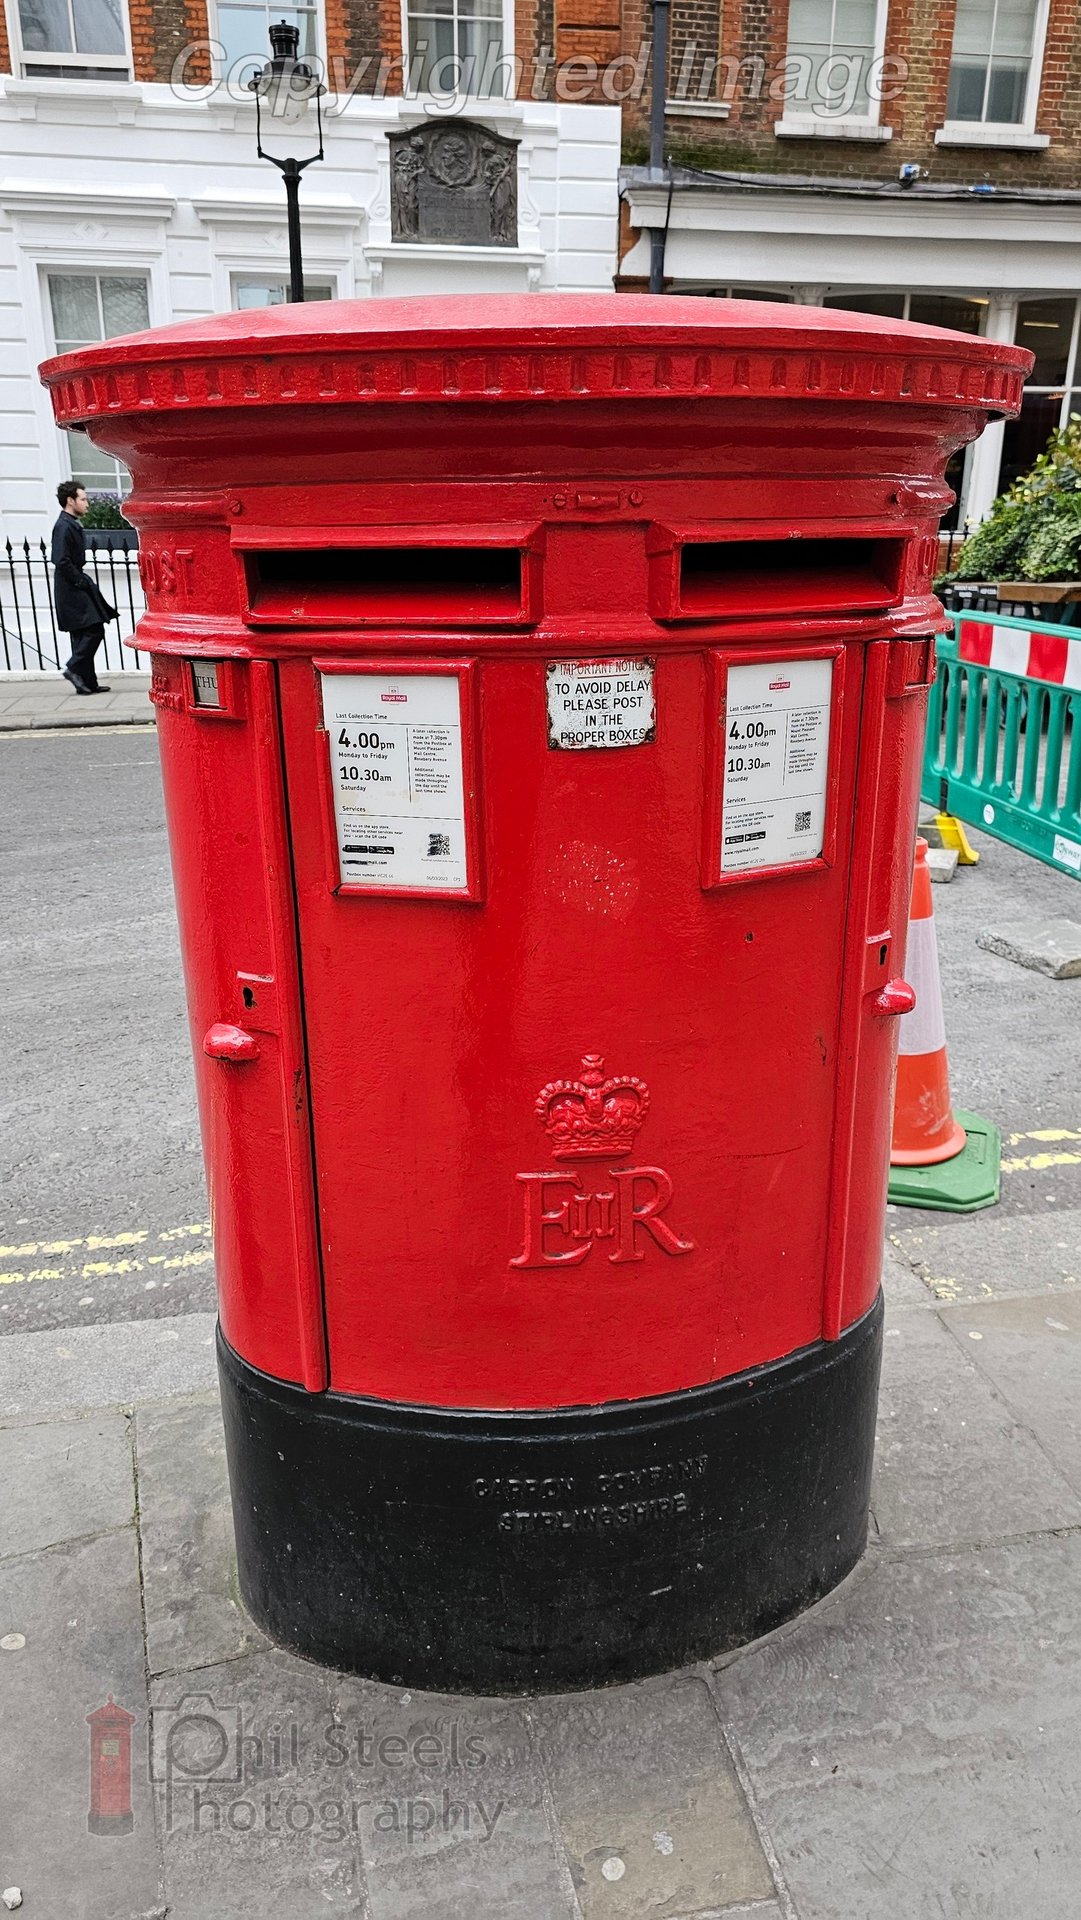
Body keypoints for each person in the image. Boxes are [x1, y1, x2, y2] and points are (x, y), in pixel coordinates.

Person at [51, 481, 117, 694]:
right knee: (94, 628)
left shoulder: (69, 523)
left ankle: (87, 683)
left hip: (73, 584)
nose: (87, 504)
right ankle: (73, 667)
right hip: (71, 587)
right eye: (83, 499)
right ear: (70, 501)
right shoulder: (63, 525)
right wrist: (80, 581)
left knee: (82, 633)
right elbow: (61, 560)